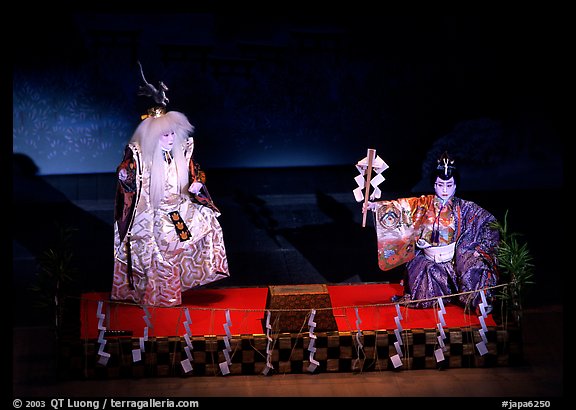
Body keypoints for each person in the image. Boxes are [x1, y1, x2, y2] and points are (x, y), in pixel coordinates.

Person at [111, 104, 230, 307]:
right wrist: (124, 175)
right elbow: (129, 173)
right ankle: (165, 296)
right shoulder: (141, 156)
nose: (170, 139)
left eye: (172, 134)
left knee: (209, 222)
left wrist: (197, 182)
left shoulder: (181, 152)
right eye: (165, 136)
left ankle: (178, 288)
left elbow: (197, 172)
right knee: (164, 251)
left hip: (180, 209)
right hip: (154, 213)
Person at [365, 152, 499, 312]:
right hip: (428, 261)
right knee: (424, 297)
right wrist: (375, 207)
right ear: (434, 185)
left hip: (455, 260)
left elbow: (486, 220)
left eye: (449, 185)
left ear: (455, 186)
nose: (444, 190)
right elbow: (400, 206)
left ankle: (480, 303)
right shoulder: (422, 204)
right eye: (440, 185)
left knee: (475, 267)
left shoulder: (465, 208)